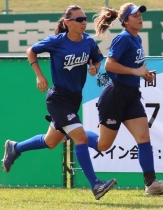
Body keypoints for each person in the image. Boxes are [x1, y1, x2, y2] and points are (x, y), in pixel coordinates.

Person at [1, 5, 116, 200]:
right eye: (79, 19)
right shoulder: (56, 42)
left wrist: (95, 68)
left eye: (85, 18)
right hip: (58, 98)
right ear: (67, 23)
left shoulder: (87, 41)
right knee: (80, 138)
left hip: (74, 98)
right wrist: (39, 75)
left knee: (50, 141)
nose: (83, 22)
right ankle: (96, 185)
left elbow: (98, 59)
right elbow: (31, 51)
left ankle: (15, 147)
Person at [86, 3, 163, 195]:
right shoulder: (123, 38)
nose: (140, 17)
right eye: (135, 15)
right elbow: (109, 65)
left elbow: (133, 66)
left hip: (132, 95)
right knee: (103, 145)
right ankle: (72, 133)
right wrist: (135, 71)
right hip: (115, 96)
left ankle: (151, 184)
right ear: (125, 21)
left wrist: (143, 74)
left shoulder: (137, 38)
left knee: (144, 138)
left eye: (140, 14)